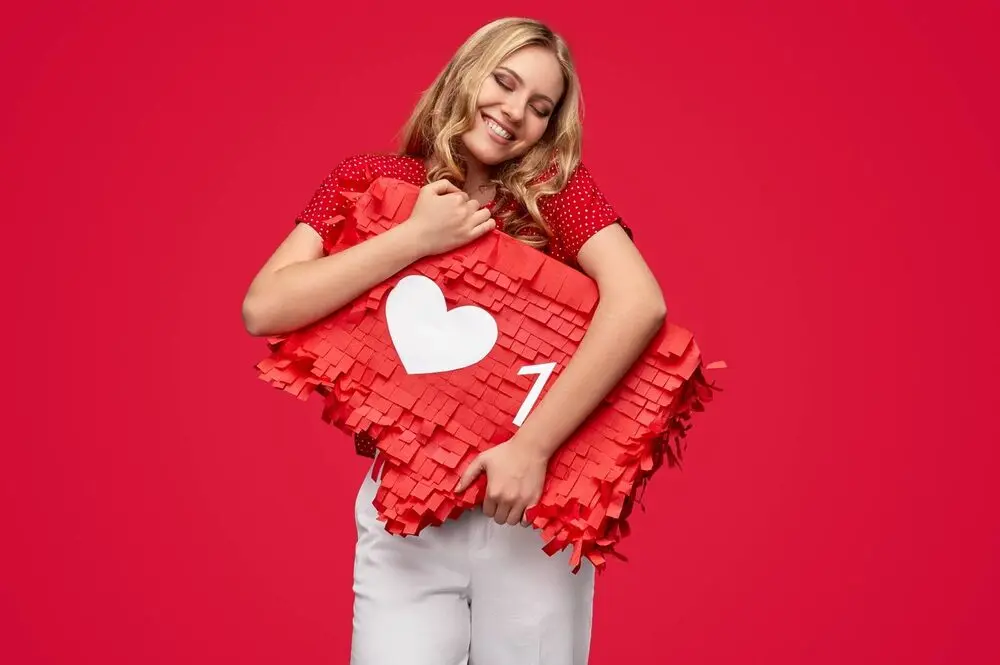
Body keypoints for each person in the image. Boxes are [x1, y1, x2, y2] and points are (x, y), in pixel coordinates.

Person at [242, 17, 667, 665]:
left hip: (529, 511)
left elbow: (640, 303)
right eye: (504, 82)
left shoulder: (554, 193)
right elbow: (265, 306)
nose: (514, 112)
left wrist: (531, 448)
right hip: (407, 510)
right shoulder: (370, 178)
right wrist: (417, 237)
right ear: (465, 74)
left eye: (540, 107)